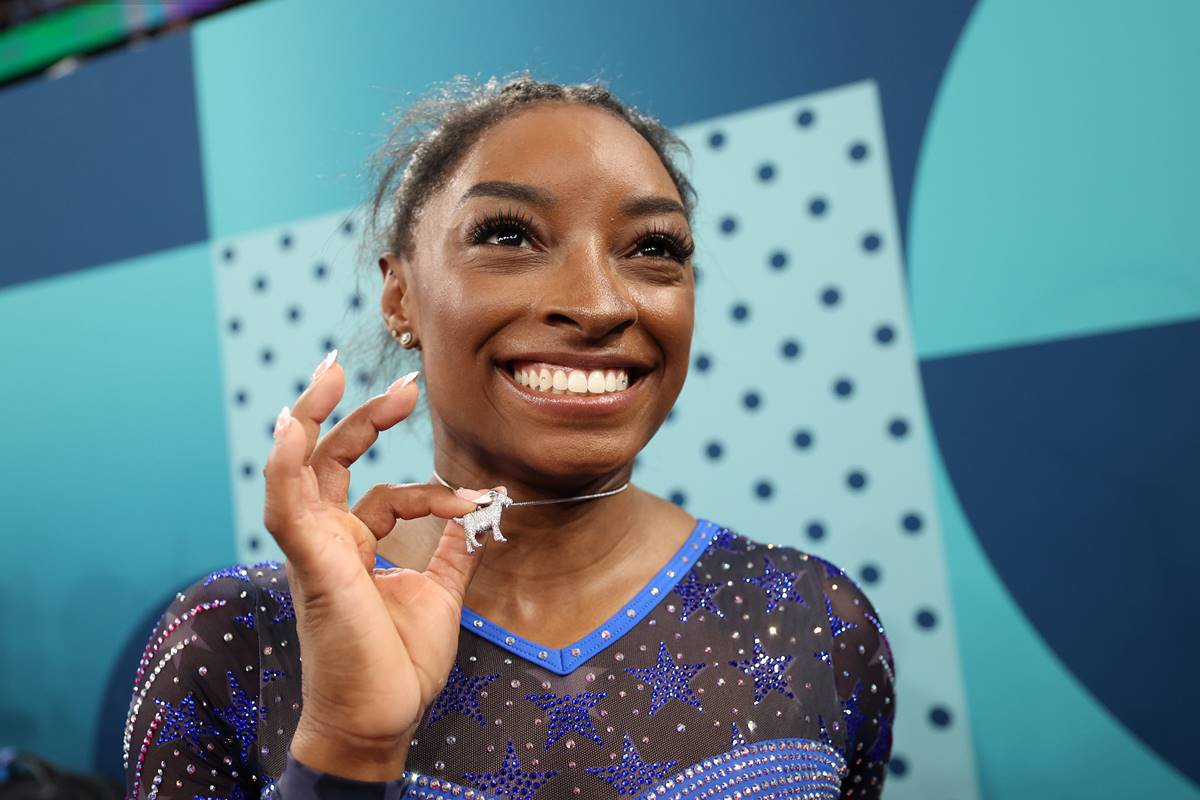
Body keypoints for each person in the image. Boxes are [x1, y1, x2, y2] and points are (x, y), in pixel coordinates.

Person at [122, 75, 896, 800]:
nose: (598, 305)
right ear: (400, 297)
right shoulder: (234, 642)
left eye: (653, 248)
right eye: (508, 235)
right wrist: (349, 746)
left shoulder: (817, 619)